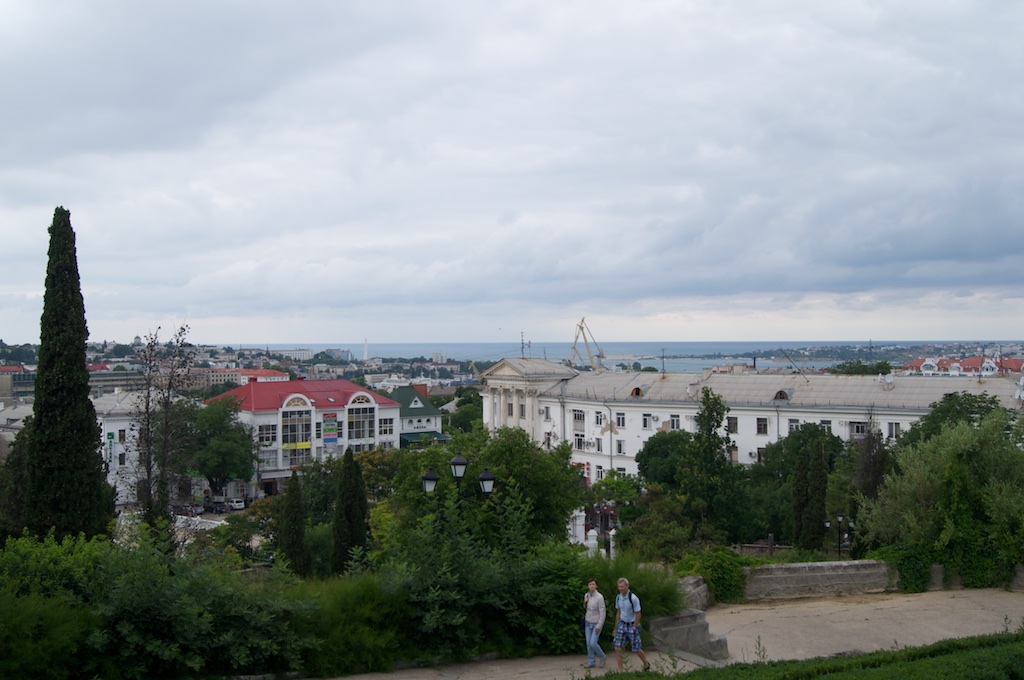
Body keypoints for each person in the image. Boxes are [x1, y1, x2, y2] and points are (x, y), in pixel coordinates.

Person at [614, 577, 651, 672]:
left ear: (627, 586)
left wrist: (634, 627)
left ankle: (645, 662)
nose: (620, 588)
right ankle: (621, 672)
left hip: (632, 624)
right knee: (617, 647)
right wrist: (616, 627)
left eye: (622, 586)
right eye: (619, 587)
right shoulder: (618, 597)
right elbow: (618, 612)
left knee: (636, 648)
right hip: (622, 624)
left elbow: (638, 614)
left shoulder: (633, 598)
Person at [582, 578, 607, 668]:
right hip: (588, 622)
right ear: (588, 586)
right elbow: (586, 608)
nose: (592, 586)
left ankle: (602, 656)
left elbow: (602, 612)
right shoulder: (587, 595)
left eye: (593, 584)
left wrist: (599, 626)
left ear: (596, 586)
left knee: (593, 643)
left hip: (596, 623)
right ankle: (591, 662)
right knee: (588, 643)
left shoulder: (599, 597)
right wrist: (585, 603)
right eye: (590, 584)